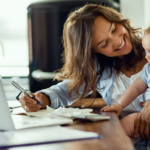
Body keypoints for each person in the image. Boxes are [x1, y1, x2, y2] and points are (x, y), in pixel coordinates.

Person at [19, 4, 149, 143]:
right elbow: (65, 90)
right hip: (132, 140)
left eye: (114, 29)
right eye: (104, 44)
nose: (117, 41)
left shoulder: (148, 44)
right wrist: (41, 98)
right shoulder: (100, 68)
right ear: (93, 51)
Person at [101, 26, 150, 140]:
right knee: (125, 125)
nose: (146, 56)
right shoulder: (148, 69)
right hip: (145, 114)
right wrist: (119, 105)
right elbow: (136, 88)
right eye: (146, 50)